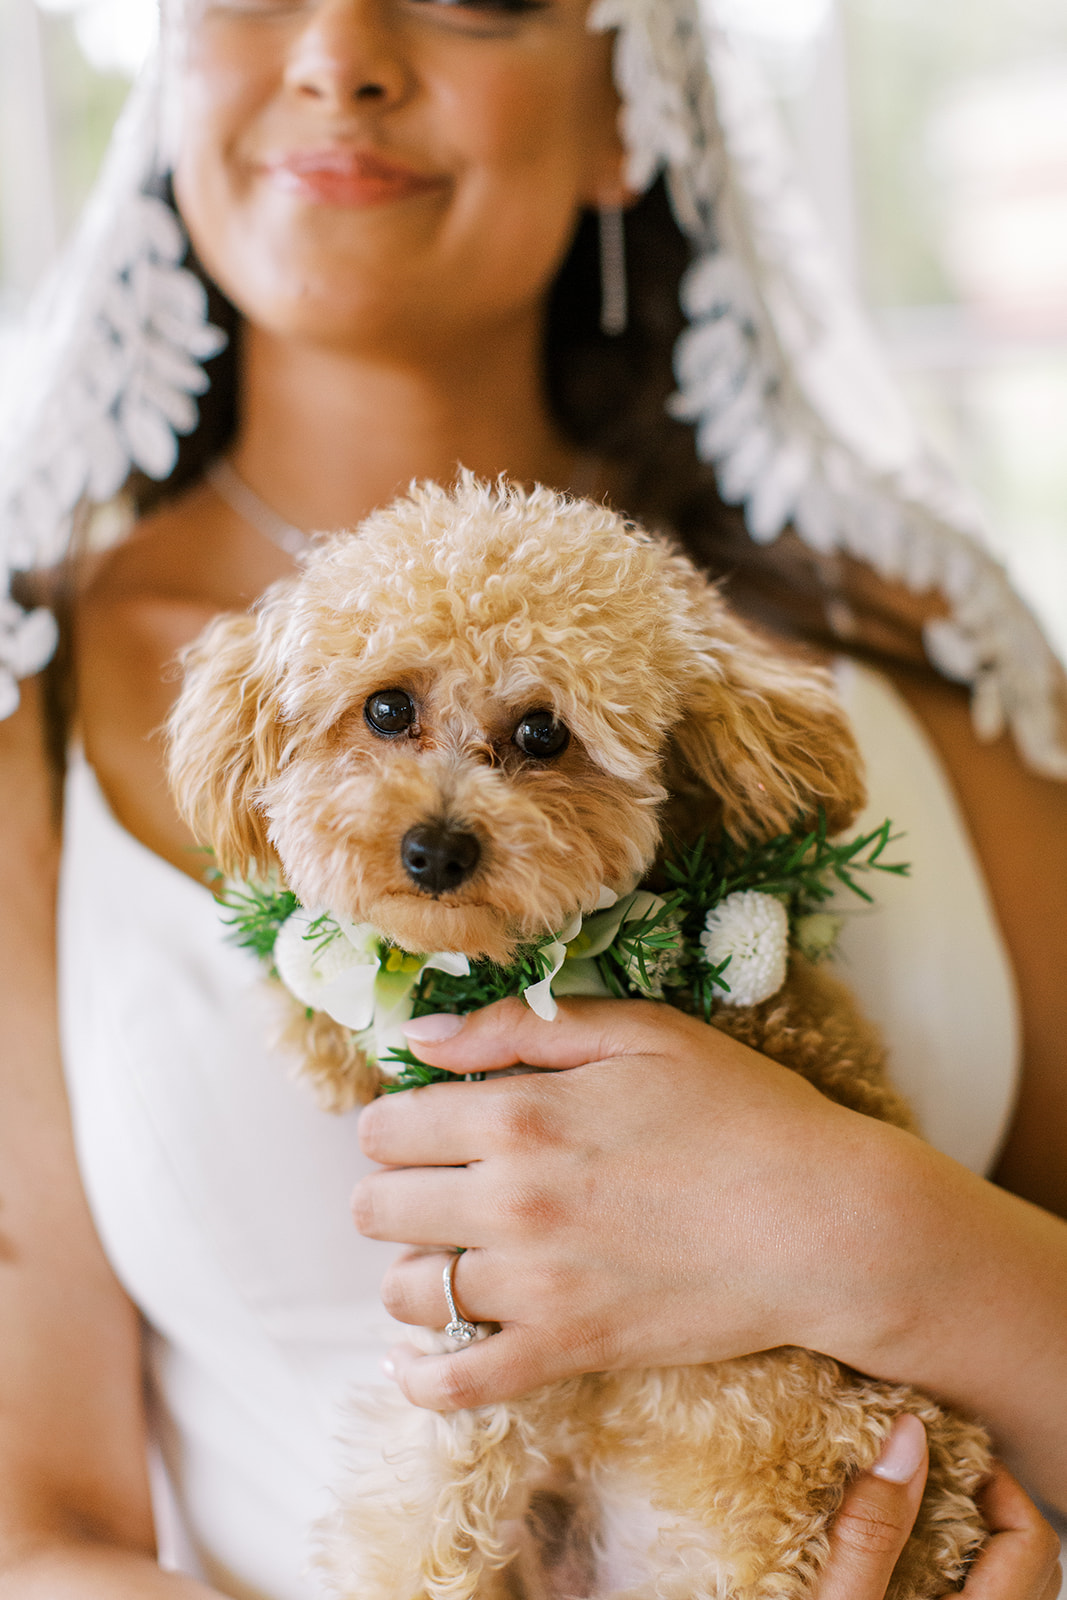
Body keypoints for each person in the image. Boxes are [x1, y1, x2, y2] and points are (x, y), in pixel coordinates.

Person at [0, 0, 1064, 1596]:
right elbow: (29, 1536)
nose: (339, 52)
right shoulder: (31, 703)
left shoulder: (931, 670)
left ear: (635, 106)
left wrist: (873, 1231)